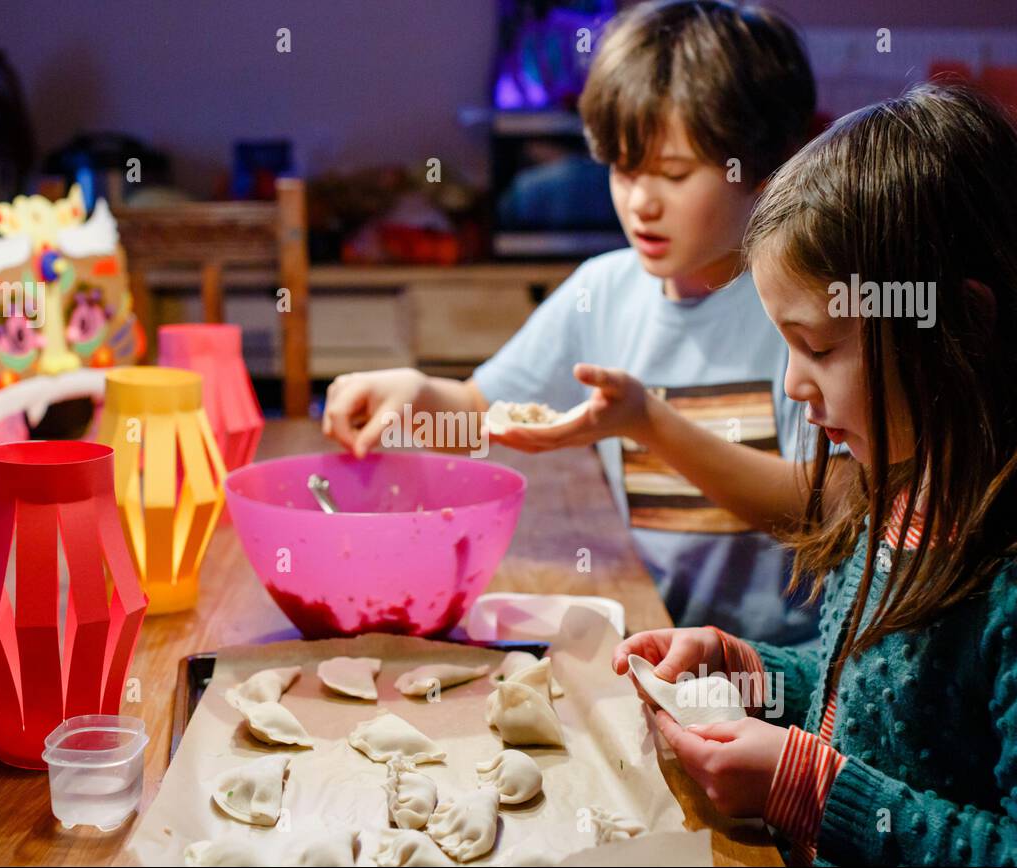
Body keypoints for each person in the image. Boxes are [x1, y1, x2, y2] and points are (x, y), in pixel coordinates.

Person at [609, 83, 1017, 865]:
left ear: (960, 325)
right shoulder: (896, 483)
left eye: (820, 347)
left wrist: (813, 791)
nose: (796, 385)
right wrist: (751, 673)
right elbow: (870, 709)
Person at [323, 1, 820, 645]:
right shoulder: (605, 290)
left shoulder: (798, 305)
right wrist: (414, 395)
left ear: (764, 167)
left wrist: (649, 423)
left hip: (781, 675)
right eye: (622, 169)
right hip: (650, 640)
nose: (640, 202)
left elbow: (819, 508)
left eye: (673, 174)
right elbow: (483, 409)